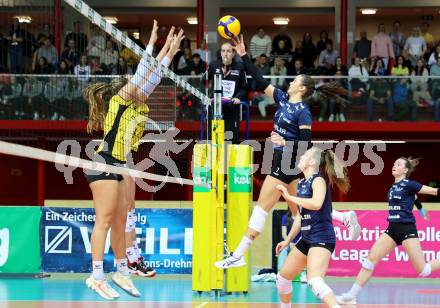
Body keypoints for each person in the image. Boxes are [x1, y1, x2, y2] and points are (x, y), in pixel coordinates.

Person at [214, 34, 360, 269]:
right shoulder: (283, 100)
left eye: (295, 81)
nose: (290, 82)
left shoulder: (303, 112)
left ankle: (238, 254)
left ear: (301, 88)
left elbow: (305, 143)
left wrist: (283, 143)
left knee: (262, 208)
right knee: (299, 209)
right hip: (285, 161)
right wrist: (243, 55)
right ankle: (343, 217)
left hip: (287, 162)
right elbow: (261, 82)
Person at [82, 21, 183, 300]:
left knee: (121, 219)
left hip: (117, 164)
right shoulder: (121, 101)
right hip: (102, 162)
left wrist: (170, 53)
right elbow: (142, 74)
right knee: (103, 221)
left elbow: (152, 76)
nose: (143, 86)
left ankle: (122, 271)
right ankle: (97, 275)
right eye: (135, 84)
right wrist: (151, 43)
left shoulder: (139, 104)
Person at [337, 157, 440, 305]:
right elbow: (415, 198)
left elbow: (433, 191)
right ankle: (351, 296)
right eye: (394, 163)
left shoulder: (410, 184)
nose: (394, 165)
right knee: (370, 260)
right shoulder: (394, 186)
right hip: (392, 229)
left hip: (406, 228)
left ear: (405, 170)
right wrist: (422, 210)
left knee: (423, 270)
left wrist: (422, 211)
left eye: (398, 164)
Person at [275, 147, 350, 308]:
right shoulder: (302, 183)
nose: (301, 157)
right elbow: (301, 216)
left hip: (322, 238)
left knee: (315, 281)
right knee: (282, 279)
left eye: (304, 155)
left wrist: (289, 197)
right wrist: (287, 240)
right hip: (307, 238)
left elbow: (316, 204)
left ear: (312, 161)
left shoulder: (318, 181)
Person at [205, 41, 248, 144]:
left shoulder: (240, 67)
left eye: (228, 51)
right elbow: (203, 80)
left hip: (232, 106)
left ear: (233, 54)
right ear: (220, 53)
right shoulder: (214, 65)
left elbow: (244, 88)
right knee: (214, 138)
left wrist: (238, 97)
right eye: (223, 51)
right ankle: (214, 158)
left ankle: (230, 159)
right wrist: (208, 96)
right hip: (216, 106)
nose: (226, 53)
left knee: (231, 137)